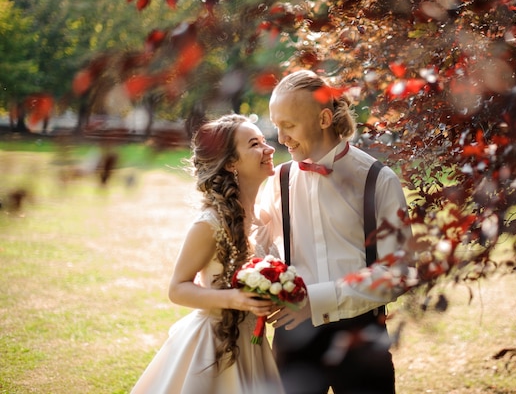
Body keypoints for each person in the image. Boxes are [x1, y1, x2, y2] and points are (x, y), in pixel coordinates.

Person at [263, 70, 412, 394]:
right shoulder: (278, 181)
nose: (281, 137)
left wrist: (316, 301)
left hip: (361, 341)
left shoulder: (378, 180)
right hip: (293, 339)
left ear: (324, 118)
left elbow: (399, 272)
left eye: (288, 126)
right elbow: (258, 249)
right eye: (276, 126)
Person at [131, 114, 285, 394]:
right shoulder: (209, 223)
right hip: (213, 347)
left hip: (254, 347)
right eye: (255, 144)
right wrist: (235, 299)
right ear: (230, 163)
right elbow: (177, 289)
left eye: (264, 141)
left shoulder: (263, 216)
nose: (269, 148)